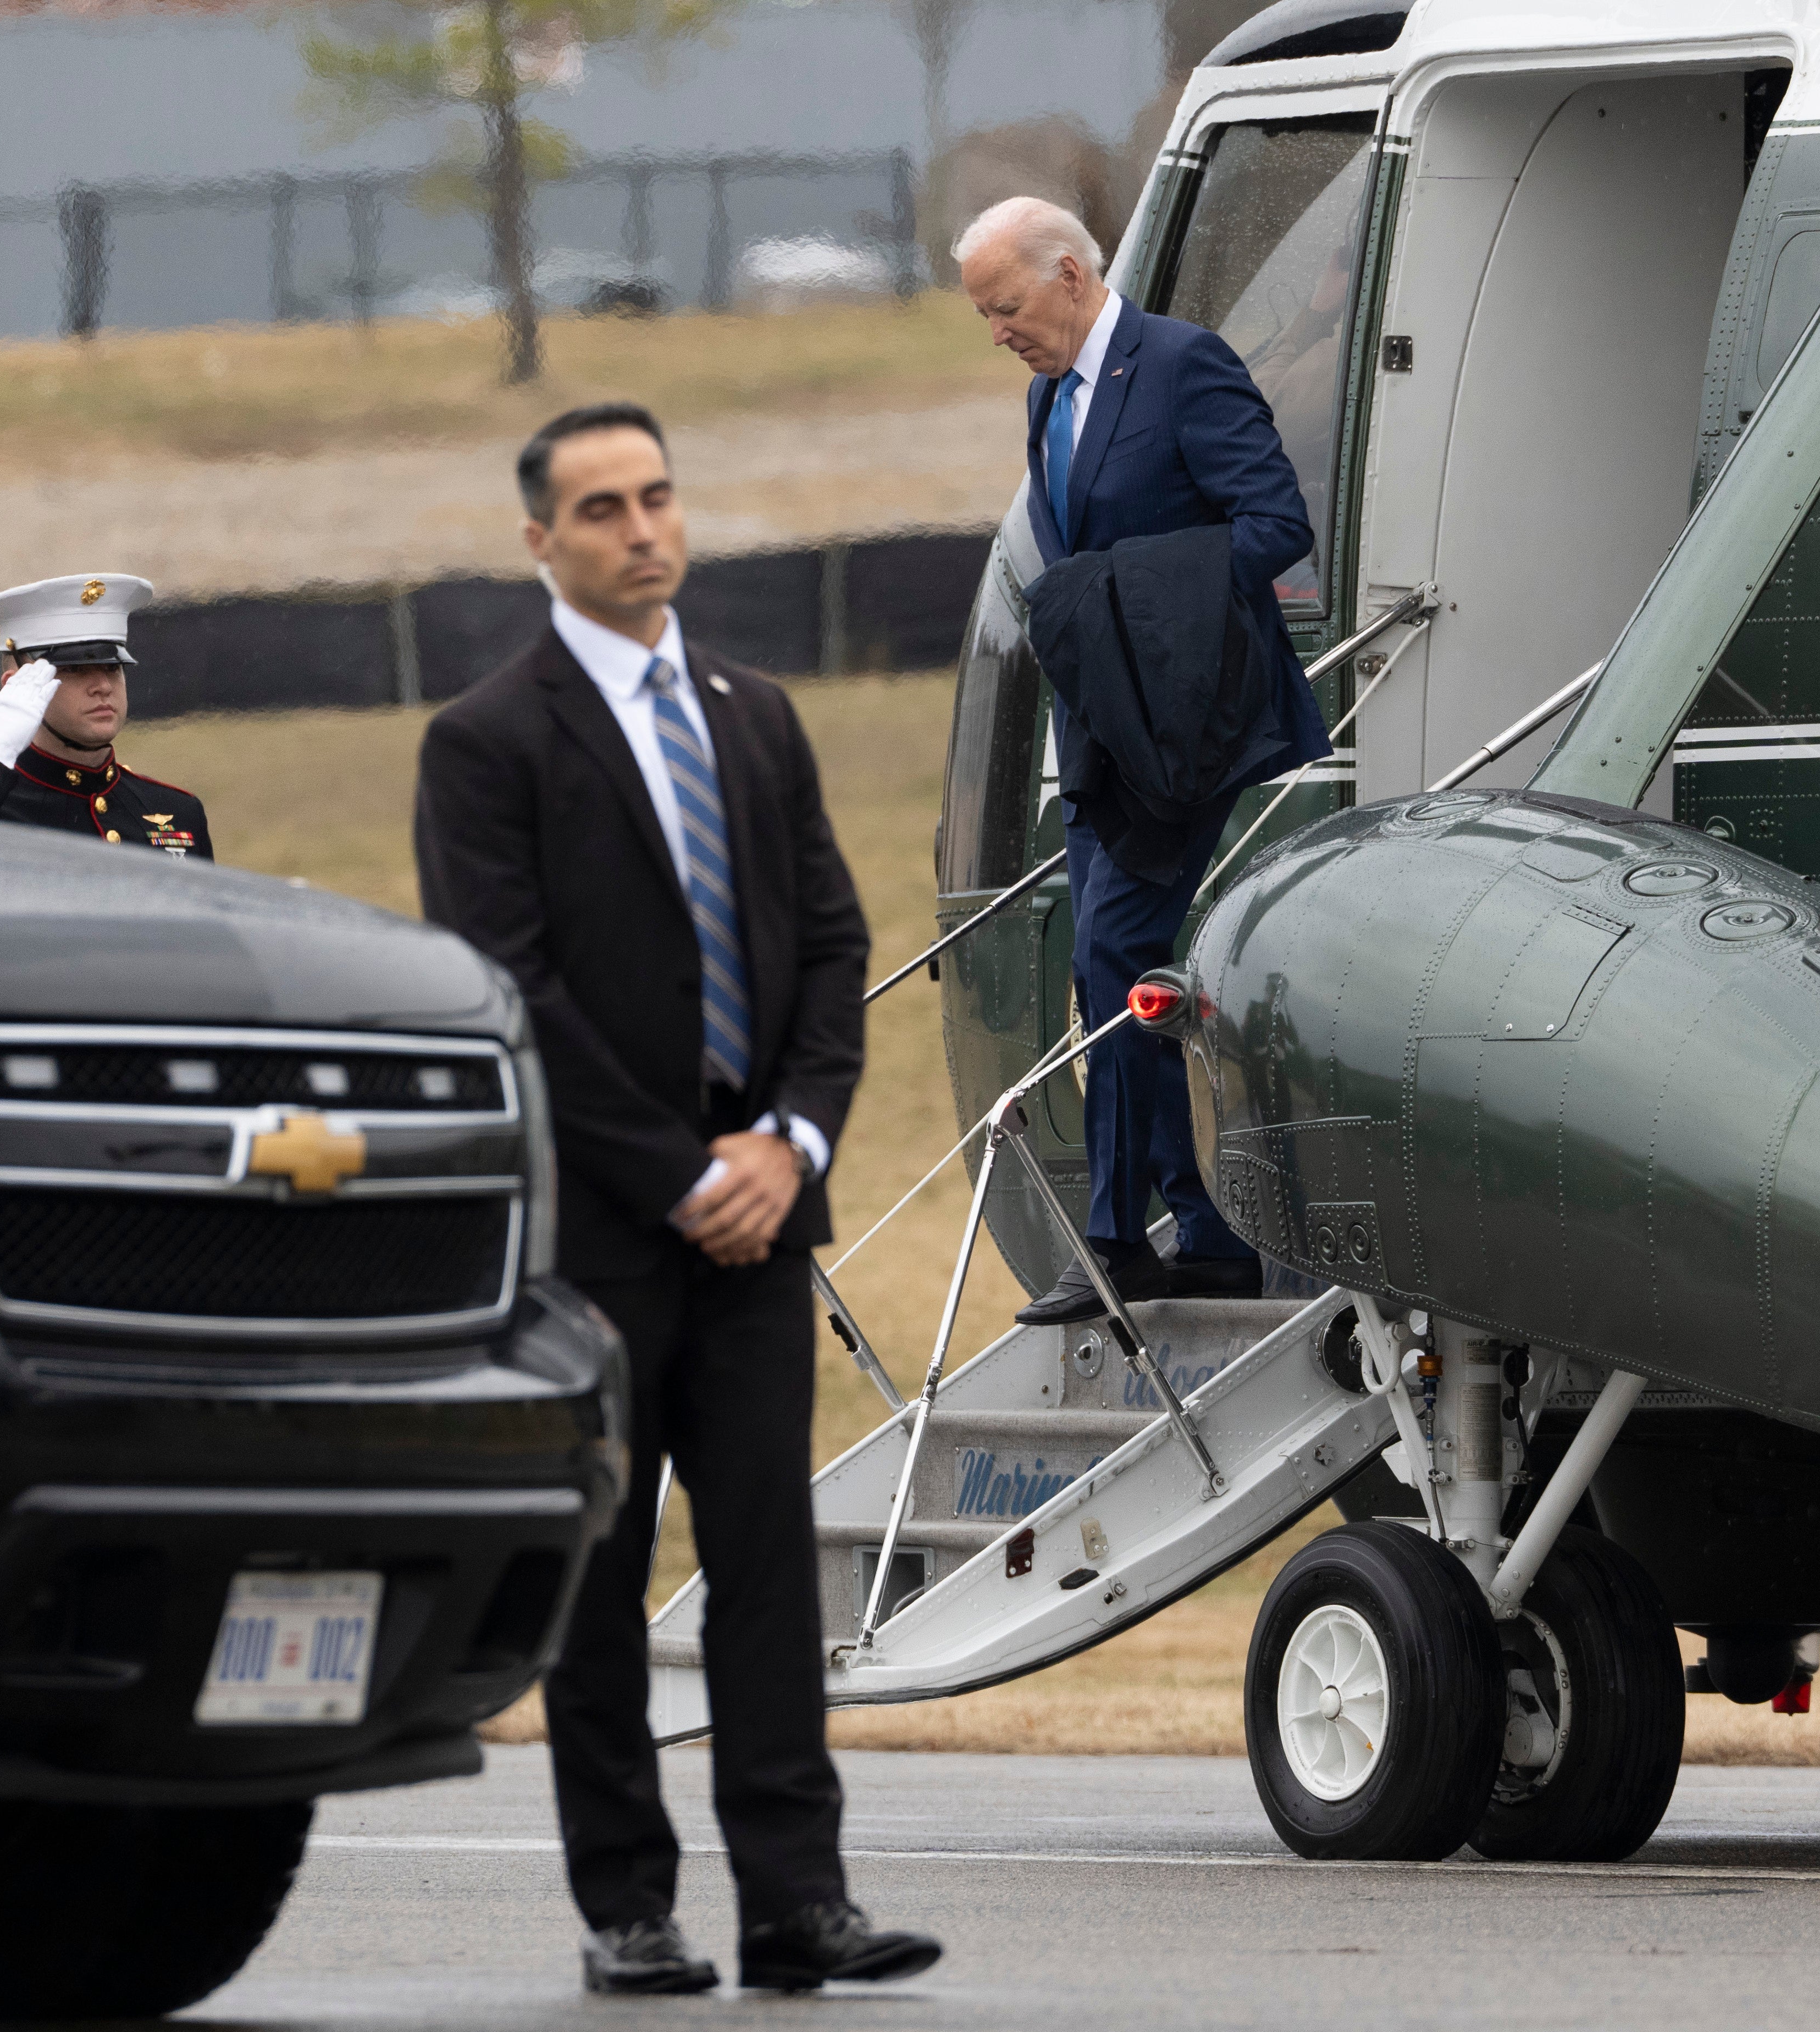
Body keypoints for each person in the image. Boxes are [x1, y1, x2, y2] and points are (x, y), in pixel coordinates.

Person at [412, 403, 939, 1998]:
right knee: (604, 1566)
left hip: (762, 1207)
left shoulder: (754, 714)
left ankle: (799, 1901)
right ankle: (628, 1907)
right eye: (602, 509)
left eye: (656, 497)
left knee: (770, 1568)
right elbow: (512, 985)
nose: (643, 529)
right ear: (542, 544)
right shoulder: (490, 740)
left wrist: (789, 1140)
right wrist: (679, 1171)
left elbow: (834, 948)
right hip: (609, 1224)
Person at [953, 196, 1330, 1327]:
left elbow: (1272, 526)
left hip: (1189, 724)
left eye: (1007, 305)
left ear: (1070, 275)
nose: (999, 332)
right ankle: (1203, 1231)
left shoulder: (1182, 368)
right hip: (1101, 738)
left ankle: (1116, 1240)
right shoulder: (1046, 398)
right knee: (1104, 968)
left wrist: (1123, 602)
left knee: (1119, 949)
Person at [0, 573, 211, 859]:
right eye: (73, 670)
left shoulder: (180, 812)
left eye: (112, 667)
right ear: (15, 687)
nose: (103, 687)